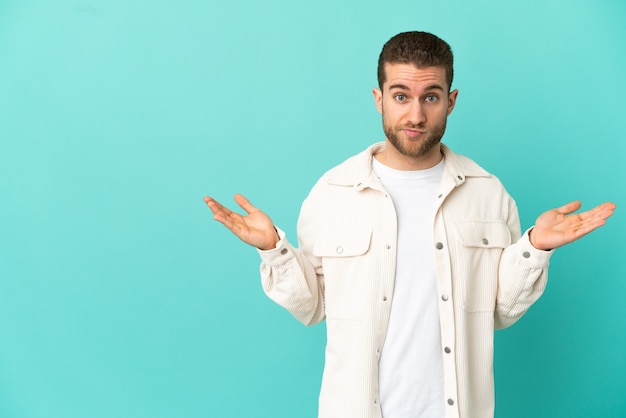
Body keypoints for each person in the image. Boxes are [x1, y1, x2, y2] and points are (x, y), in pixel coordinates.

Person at [204, 31, 615, 418]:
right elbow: (312, 308)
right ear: (378, 98)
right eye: (401, 96)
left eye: (430, 97)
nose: (416, 114)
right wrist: (273, 249)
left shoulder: (487, 193)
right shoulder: (332, 192)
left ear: (450, 101)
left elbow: (501, 311)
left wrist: (536, 246)